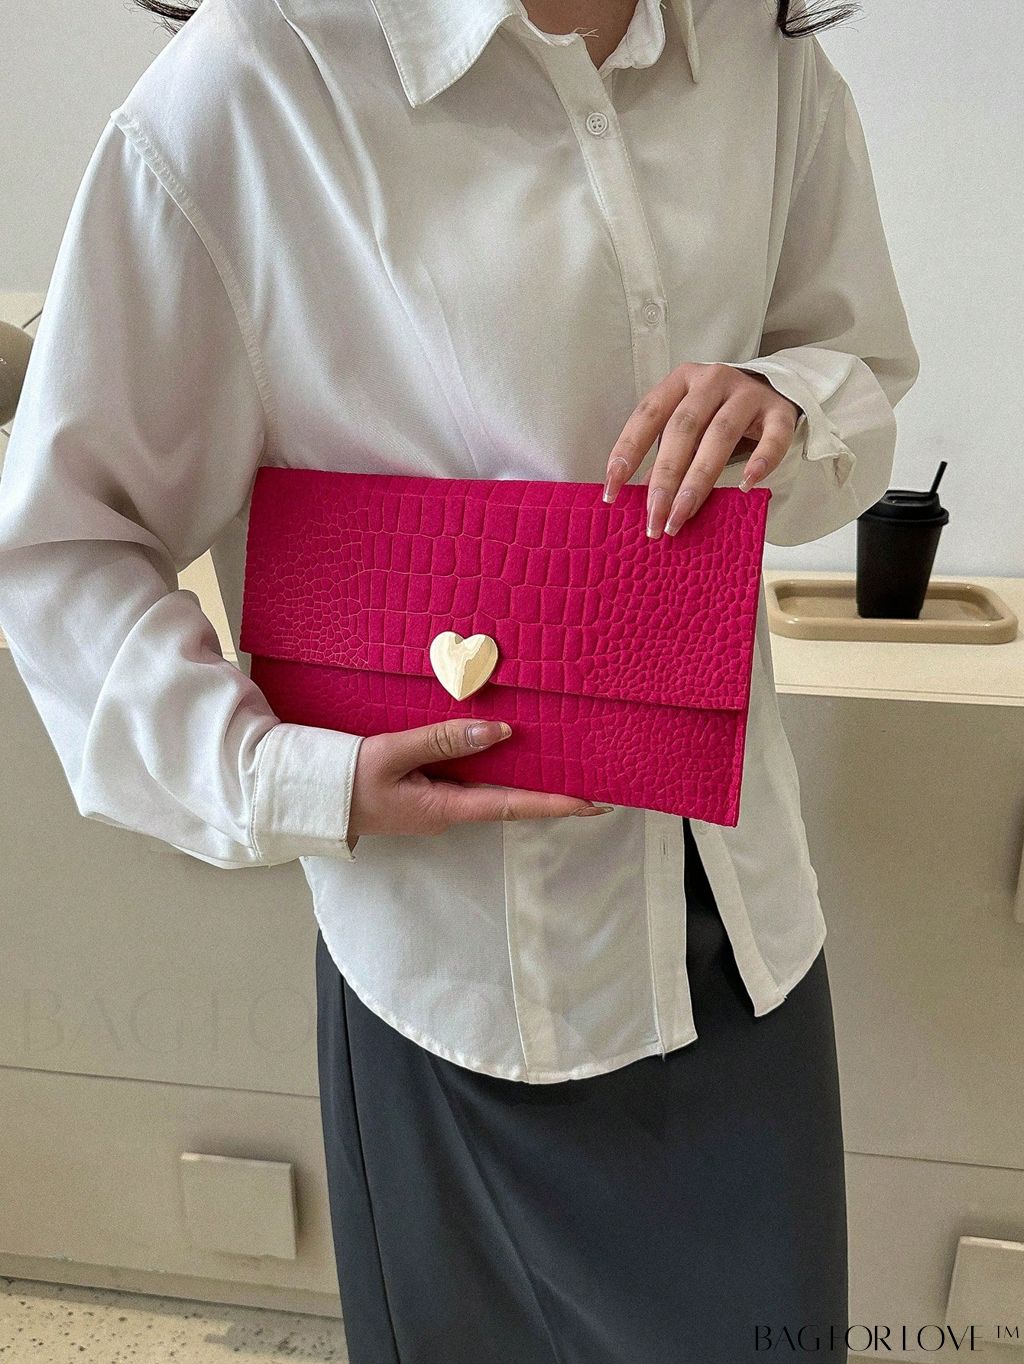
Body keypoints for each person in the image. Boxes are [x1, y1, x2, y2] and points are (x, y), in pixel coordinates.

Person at [0, 0, 919, 1357]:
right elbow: (65, 545)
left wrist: (784, 401)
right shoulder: (256, 86)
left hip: (740, 930)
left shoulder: (760, 52)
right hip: (456, 981)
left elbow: (859, 361)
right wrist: (280, 774)